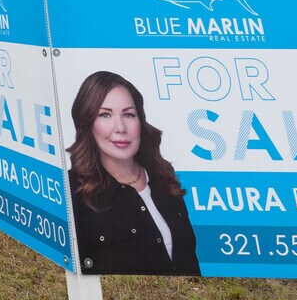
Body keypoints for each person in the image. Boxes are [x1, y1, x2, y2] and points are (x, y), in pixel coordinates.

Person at [66, 70, 198, 276]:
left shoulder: (164, 179)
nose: (120, 127)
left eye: (128, 114)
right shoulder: (72, 192)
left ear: (140, 121)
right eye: (105, 115)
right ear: (88, 123)